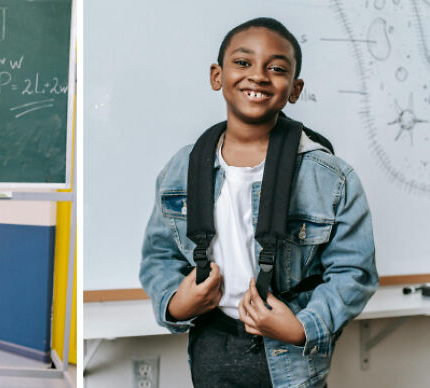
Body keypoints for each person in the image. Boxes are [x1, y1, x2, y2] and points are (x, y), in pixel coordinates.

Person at [139, 17, 378, 388]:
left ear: (294, 89)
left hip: (290, 353)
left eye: (277, 68)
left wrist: (302, 327)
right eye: (243, 62)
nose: (259, 76)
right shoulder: (181, 169)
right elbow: (159, 256)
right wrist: (175, 303)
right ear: (217, 76)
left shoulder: (331, 177)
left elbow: (354, 272)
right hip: (211, 345)